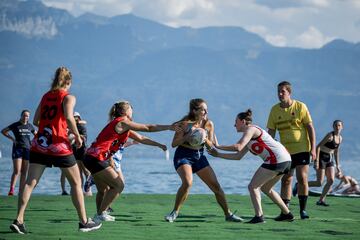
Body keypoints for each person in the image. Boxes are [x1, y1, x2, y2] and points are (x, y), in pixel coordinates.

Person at [9, 67, 101, 234]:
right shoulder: (68, 97)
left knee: (29, 183)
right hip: (59, 146)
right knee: (76, 183)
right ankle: (84, 222)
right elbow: (67, 117)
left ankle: (19, 219)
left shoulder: (46, 96)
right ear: (68, 82)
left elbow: (36, 120)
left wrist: (50, 126)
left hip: (39, 145)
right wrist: (77, 136)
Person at [83, 100, 175, 223]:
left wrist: (158, 145)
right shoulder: (122, 122)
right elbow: (148, 128)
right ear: (123, 111)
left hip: (91, 157)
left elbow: (141, 138)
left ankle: (100, 214)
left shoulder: (124, 126)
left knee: (102, 190)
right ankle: (100, 214)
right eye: (131, 109)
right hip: (96, 158)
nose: (133, 111)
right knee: (118, 185)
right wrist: (169, 127)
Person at [209, 109, 293, 223]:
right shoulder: (248, 136)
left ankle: (259, 216)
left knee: (252, 187)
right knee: (266, 188)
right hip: (286, 160)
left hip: (277, 160)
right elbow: (238, 156)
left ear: (243, 121)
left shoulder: (251, 129)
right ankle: (286, 213)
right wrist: (218, 154)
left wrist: (218, 146)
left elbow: (238, 147)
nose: (234, 125)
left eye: (236, 122)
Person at [164, 98, 242, 223]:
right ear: (195, 111)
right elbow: (174, 144)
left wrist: (204, 139)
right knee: (188, 182)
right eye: (203, 109)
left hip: (199, 155)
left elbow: (211, 145)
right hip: (183, 155)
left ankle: (228, 214)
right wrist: (187, 136)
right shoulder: (185, 124)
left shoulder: (209, 124)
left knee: (216, 186)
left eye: (206, 109)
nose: (206, 112)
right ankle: (175, 212)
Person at [267, 81, 316, 219]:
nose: (280, 94)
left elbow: (310, 128)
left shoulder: (300, 106)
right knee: (286, 180)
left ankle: (303, 210)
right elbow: (270, 132)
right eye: (278, 92)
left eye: (283, 91)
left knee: (302, 178)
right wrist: (268, 150)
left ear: (289, 93)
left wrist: (313, 149)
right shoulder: (274, 110)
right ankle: (285, 211)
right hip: (285, 151)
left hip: (302, 149)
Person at [307, 120, 343, 206]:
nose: (337, 128)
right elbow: (318, 147)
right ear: (333, 127)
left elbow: (336, 152)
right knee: (319, 183)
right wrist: (316, 161)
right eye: (335, 126)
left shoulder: (340, 138)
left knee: (331, 180)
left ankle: (321, 200)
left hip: (330, 159)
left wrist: (338, 166)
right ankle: (300, 185)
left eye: (339, 126)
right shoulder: (330, 136)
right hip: (322, 158)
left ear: (342, 127)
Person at [2, 110, 36, 196]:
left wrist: (32, 142)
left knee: (24, 171)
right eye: (24, 115)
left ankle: (21, 190)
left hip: (27, 149)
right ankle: (11, 189)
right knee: (17, 171)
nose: (26, 117)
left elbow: (37, 135)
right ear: (21, 116)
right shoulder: (15, 125)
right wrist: (12, 139)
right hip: (18, 149)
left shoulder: (30, 126)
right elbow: (3, 131)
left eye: (27, 116)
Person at [61, 112, 91, 196]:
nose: (74, 118)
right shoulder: (70, 126)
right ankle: (80, 191)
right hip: (75, 151)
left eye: (75, 117)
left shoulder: (81, 126)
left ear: (78, 118)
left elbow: (84, 138)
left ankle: (88, 190)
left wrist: (74, 134)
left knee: (86, 171)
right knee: (78, 172)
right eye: (73, 117)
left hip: (83, 150)